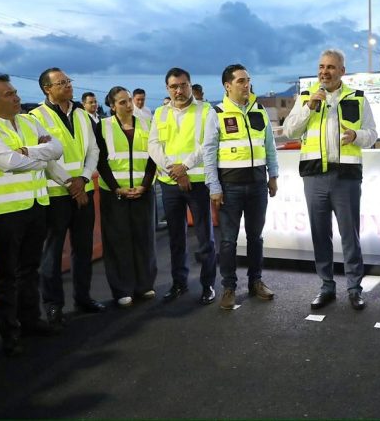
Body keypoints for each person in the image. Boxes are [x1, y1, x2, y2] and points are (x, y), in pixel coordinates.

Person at [0, 75, 64, 355]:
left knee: (29, 268)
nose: (16, 97)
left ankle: (31, 320)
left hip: (36, 204)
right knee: (7, 273)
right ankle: (10, 333)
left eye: (15, 92)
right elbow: (9, 162)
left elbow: (57, 149)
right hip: (5, 210)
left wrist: (27, 151)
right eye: (8, 94)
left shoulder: (27, 120)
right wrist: (40, 153)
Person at [283, 49, 377, 310]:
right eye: (322, 66)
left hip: (346, 177)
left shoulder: (357, 98)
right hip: (314, 176)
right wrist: (308, 107)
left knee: (350, 235)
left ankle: (354, 288)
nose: (325, 71)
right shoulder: (306, 97)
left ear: (342, 71)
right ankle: (326, 286)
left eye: (331, 67)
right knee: (319, 234)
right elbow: (290, 130)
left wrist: (356, 136)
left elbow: (372, 134)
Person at [31, 68, 105, 326]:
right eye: (61, 83)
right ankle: (53, 305)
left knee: (82, 249)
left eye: (68, 81)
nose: (67, 86)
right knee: (51, 252)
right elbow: (43, 157)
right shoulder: (35, 117)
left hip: (81, 188)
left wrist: (83, 179)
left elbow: (93, 151)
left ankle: (83, 298)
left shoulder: (83, 114)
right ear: (47, 89)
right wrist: (69, 183)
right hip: (55, 194)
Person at [204, 64, 278, 309]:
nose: (246, 85)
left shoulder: (259, 110)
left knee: (256, 238)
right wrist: (214, 186)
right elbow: (209, 152)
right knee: (228, 241)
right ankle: (229, 287)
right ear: (227, 85)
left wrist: (273, 175)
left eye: (248, 80)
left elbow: (269, 146)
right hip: (230, 187)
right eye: (241, 81)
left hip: (257, 184)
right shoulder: (217, 112)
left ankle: (256, 282)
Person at [148, 67, 217, 305]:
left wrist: (184, 167)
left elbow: (207, 144)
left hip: (197, 182)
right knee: (176, 238)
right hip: (169, 183)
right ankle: (179, 283)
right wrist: (174, 171)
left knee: (204, 236)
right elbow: (154, 145)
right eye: (174, 86)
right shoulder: (160, 113)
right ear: (167, 88)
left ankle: (208, 284)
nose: (179, 90)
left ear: (190, 85)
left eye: (183, 85)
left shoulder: (206, 110)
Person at [95, 86, 158, 308]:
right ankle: (122, 289)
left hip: (143, 191)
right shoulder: (102, 127)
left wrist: (145, 185)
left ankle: (144, 285)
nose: (129, 105)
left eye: (129, 100)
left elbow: (153, 158)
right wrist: (115, 188)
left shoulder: (147, 124)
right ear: (112, 106)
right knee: (118, 242)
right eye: (122, 102)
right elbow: (100, 161)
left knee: (144, 239)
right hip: (115, 195)